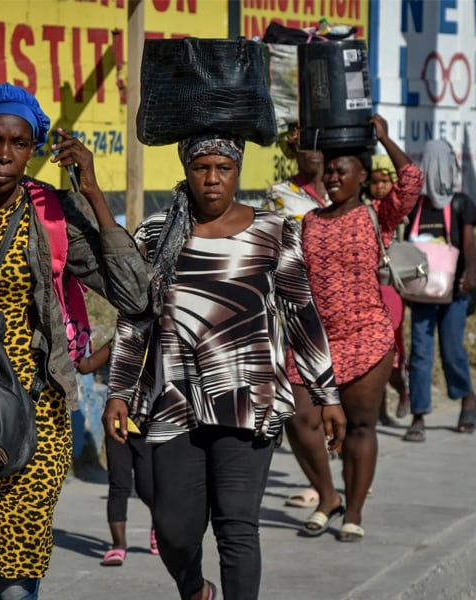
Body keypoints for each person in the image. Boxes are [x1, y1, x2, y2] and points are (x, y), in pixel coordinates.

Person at [0, 83, 150, 599]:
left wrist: (95, 195)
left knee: (14, 586)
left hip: (34, 419)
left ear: (32, 150)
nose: (5, 153)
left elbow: (134, 295)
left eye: (19, 142)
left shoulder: (53, 214)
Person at [103, 131, 346, 600]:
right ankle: (194, 588)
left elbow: (301, 313)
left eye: (224, 169)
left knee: (237, 526)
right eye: (201, 168)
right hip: (174, 401)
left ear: (237, 172)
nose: (212, 180)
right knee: (174, 528)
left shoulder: (273, 231)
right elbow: (134, 320)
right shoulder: (156, 233)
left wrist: (326, 393)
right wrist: (119, 390)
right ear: (186, 171)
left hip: (248, 400)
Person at [285, 115, 424, 542]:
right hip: (315, 342)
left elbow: (412, 180)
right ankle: (328, 498)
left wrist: (383, 137)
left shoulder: (375, 215)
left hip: (366, 336)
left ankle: (354, 510)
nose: (331, 177)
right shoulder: (309, 222)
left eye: (341, 170)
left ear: (362, 175)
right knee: (298, 416)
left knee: (361, 426)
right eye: (328, 170)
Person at [266, 125, 331, 510]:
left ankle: (347, 477)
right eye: (305, 149)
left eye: (320, 148)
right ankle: (321, 484)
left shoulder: (344, 189)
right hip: (300, 306)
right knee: (304, 401)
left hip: (342, 309)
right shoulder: (281, 195)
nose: (314, 155)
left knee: (344, 402)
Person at [402, 139, 476, 443]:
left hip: (455, 291)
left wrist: (471, 273)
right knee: (420, 353)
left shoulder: (461, 203)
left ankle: (467, 397)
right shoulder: (417, 206)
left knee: (451, 350)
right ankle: (419, 414)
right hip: (423, 290)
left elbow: (469, 244)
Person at [77, 338, 157, 567]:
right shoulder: (120, 340)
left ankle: (158, 528)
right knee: (119, 484)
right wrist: (71, 345)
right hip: (116, 427)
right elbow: (87, 365)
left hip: (149, 428)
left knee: (148, 487)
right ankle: (118, 546)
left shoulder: (164, 341)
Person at [368, 154, 410, 426]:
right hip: (369, 289)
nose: (380, 186)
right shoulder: (362, 210)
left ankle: (403, 391)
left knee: (391, 349)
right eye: (375, 181)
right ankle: (378, 410)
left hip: (391, 288)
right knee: (372, 353)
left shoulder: (394, 211)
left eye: (386, 181)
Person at [264, 125, 328, 228]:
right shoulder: (279, 193)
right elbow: (270, 236)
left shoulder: (341, 188)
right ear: (293, 149)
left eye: (318, 145)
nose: (313, 152)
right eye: (306, 146)